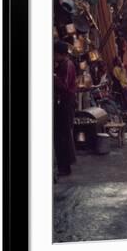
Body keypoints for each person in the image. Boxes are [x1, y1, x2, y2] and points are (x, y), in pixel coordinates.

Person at [54, 41, 77, 176]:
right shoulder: (63, 64)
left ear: (60, 54)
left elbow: (65, 86)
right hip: (63, 102)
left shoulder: (67, 65)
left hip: (66, 102)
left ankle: (65, 166)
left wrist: (54, 78)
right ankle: (63, 165)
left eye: (55, 54)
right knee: (62, 134)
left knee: (64, 134)